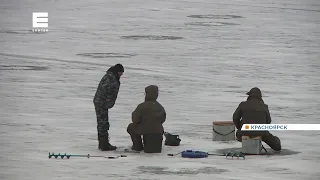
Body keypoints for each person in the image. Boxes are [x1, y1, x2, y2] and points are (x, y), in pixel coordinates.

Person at [233, 87, 281, 151]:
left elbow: (235, 118)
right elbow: (268, 121)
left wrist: (240, 127)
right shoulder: (264, 106)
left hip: (244, 132)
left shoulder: (243, 104)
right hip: (262, 132)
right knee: (277, 146)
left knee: (238, 134)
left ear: (250, 96)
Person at [93, 64, 124, 151]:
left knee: (102, 122)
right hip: (101, 103)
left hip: (101, 102)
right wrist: (108, 102)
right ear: (117, 71)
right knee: (103, 123)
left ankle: (103, 143)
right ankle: (104, 145)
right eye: (120, 73)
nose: (121, 75)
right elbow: (109, 91)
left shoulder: (110, 76)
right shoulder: (111, 78)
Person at [127, 85, 166, 151]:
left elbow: (135, 120)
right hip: (158, 132)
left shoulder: (142, 106)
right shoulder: (160, 107)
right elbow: (163, 119)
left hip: (146, 130)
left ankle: (137, 146)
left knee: (131, 127)